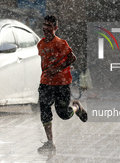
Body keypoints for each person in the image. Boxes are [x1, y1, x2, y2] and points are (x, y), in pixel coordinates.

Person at [37, 15, 87, 152]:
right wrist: (47, 74)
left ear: (55, 28)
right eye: (44, 25)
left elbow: (72, 58)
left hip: (61, 84)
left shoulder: (60, 43)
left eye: (49, 26)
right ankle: (50, 142)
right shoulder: (40, 44)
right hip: (46, 83)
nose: (46, 28)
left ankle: (76, 107)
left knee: (64, 114)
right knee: (45, 111)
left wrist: (57, 69)